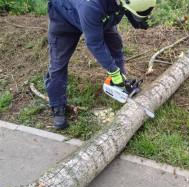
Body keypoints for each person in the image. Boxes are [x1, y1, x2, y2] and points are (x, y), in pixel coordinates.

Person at [45, 0, 157, 130]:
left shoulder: (126, 2)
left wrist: (140, 21)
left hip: (100, 16)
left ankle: (121, 83)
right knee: (58, 62)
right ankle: (57, 105)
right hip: (65, 16)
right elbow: (95, 43)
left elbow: (129, 10)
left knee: (115, 47)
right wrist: (112, 71)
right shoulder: (91, 6)